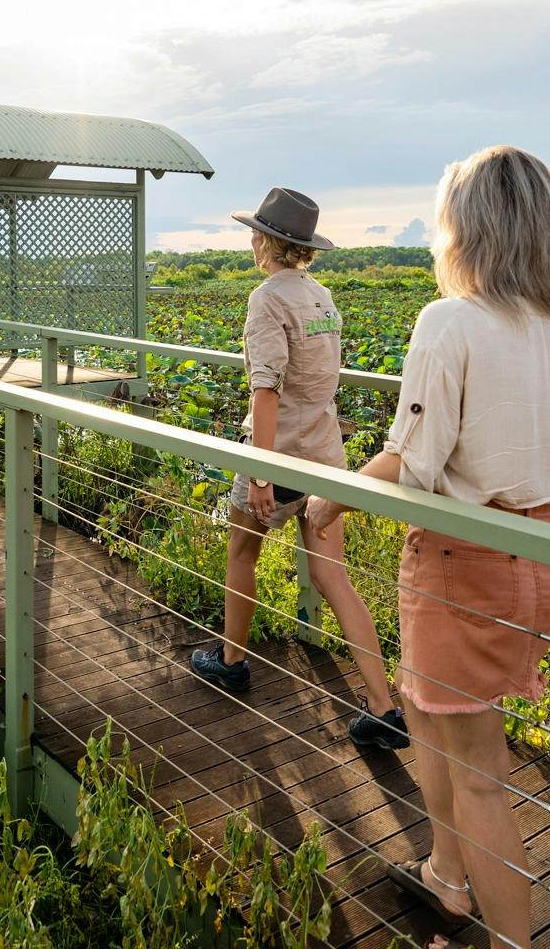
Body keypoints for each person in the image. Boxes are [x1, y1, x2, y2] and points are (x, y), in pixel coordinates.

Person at [306, 146, 550, 949]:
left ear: (464, 229)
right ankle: (447, 871)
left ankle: (507, 938)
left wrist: (329, 497)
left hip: (460, 561)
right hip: (542, 553)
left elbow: (414, 459)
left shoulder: (451, 322)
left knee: (480, 775)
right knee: (431, 714)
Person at [188, 186, 406, 750]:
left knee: (242, 551)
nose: (251, 239)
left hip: (278, 451)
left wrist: (259, 473)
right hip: (326, 454)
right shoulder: (322, 297)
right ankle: (383, 706)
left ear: (268, 242)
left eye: (255, 232)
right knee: (334, 577)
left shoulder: (267, 299)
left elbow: (266, 388)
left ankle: (232, 660)